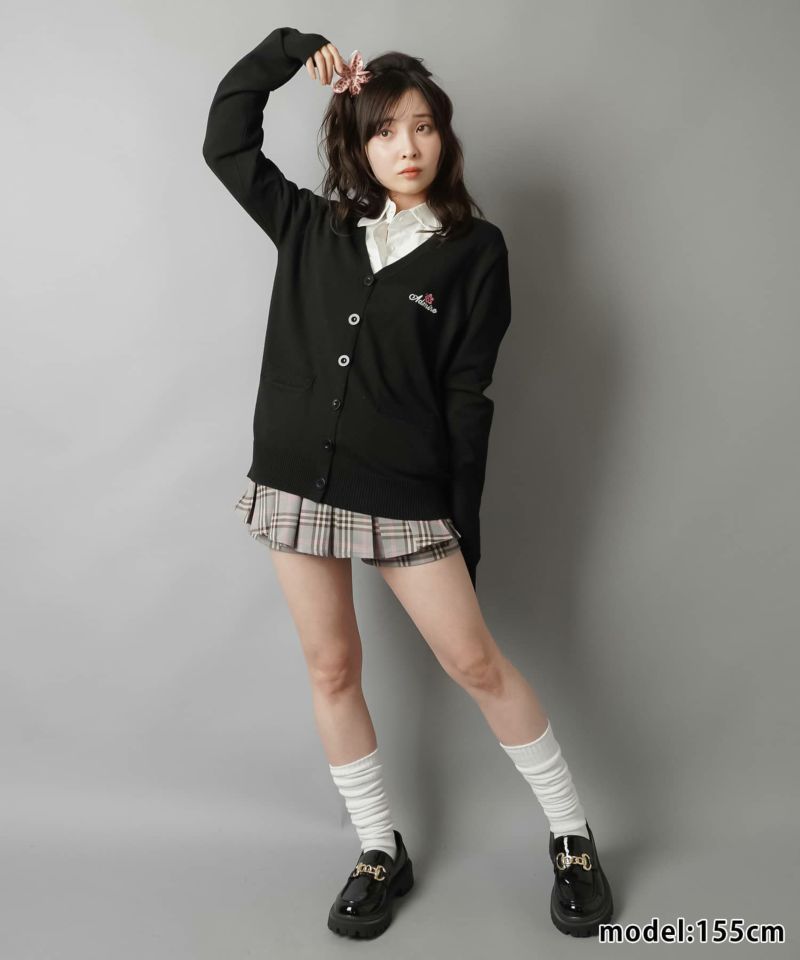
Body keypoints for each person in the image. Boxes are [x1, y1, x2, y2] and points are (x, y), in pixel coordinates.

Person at [202, 26, 613, 940]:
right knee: (331, 667)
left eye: (423, 126)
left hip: (406, 495)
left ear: (444, 137)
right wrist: (291, 51)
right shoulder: (312, 226)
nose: (407, 146)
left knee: (476, 664)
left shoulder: (475, 251)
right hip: (297, 485)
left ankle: (572, 837)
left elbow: (468, 394)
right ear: (359, 143)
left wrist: (463, 523)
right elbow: (225, 139)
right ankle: (377, 846)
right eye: (385, 130)